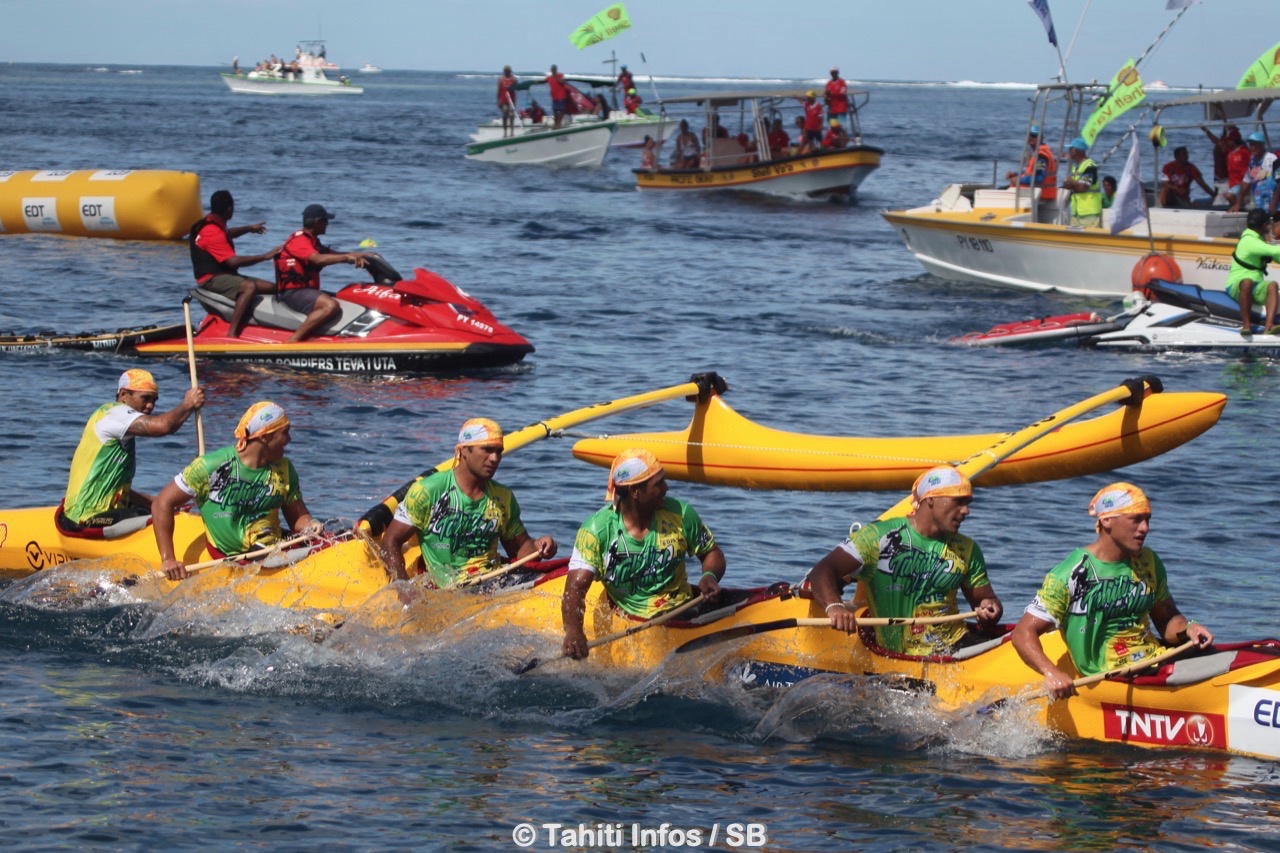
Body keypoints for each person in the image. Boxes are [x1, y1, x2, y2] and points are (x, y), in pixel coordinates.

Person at [1011, 483, 1214, 699]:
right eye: (1136, 519)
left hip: (1153, 660)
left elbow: (1167, 619)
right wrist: (1051, 673)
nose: (1145, 528)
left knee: (1222, 657)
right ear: (1107, 520)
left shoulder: (1148, 561)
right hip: (1107, 675)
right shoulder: (1071, 572)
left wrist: (1189, 628)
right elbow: (1022, 634)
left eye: (1147, 519)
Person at [808, 465, 1003, 655]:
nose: (966, 511)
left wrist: (990, 609)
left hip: (957, 645)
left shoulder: (968, 549)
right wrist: (835, 607)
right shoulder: (877, 537)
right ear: (932, 499)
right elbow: (822, 571)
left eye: (968, 503)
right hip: (899, 655)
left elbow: (985, 600)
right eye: (958, 501)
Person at [561, 449, 725, 661]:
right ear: (635, 491)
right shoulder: (596, 531)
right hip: (631, 619)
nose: (666, 488)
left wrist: (709, 575)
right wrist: (573, 631)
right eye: (658, 484)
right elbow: (575, 589)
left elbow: (712, 552)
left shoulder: (681, 515)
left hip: (683, 614)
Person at [152, 401, 324, 580]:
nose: (289, 439)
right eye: (285, 432)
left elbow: (298, 518)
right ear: (264, 436)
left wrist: (310, 525)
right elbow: (162, 503)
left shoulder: (285, 470)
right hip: (230, 557)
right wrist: (168, 559)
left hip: (273, 550)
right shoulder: (210, 466)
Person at [378, 418, 556, 586]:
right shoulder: (427, 491)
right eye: (487, 450)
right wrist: (402, 588)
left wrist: (539, 545)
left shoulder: (503, 497)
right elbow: (391, 541)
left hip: (493, 581)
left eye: (498, 451)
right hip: (452, 589)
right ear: (463, 450)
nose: (495, 459)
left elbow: (520, 550)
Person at [58, 369, 205, 532]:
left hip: (102, 512)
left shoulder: (122, 428)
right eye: (145, 398)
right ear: (123, 394)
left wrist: (155, 502)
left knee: (149, 509)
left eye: (154, 400)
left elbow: (116, 487)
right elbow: (163, 426)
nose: (150, 405)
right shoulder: (114, 414)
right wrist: (187, 405)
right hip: (85, 517)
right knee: (141, 513)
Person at [274, 204, 375, 344]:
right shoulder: (299, 241)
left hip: (306, 289)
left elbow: (332, 255)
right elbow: (317, 259)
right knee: (330, 306)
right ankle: (293, 340)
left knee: (349, 297)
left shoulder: (312, 240)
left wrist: (363, 255)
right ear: (317, 222)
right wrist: (347, 258)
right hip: (294, 292)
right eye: (326, 221)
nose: (327, 224)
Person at [189, 190, 280, 338]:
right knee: (249, 287)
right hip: (211, 279)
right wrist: (265, 256)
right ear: (230, 209)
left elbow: (228, 233)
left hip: (223, 276)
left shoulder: (212, 223)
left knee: (274, 288)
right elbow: (232, 262)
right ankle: (232, 333)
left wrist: (250, 228)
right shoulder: (211, 231)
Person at [1225, 208, 1280, 335]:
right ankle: (1246, 326)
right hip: (1235, 287)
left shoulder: (1258, 240)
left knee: (1272, 285)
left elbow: (1276, 256)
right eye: (1268, 223)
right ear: (1265, 225)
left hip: (1255, 287)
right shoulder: (1249, 240)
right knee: (1247, 282)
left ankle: (1269, 326)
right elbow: (1274, 251)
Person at [1006, 124, 1058, 202]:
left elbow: (1039, 178)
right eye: (1029, 135)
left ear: (1040, 137)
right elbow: (1031, 171)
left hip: (1041, 193)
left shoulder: (1041, 156)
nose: (1030, 137)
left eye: (1034, 135)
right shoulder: (1037, 152)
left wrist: (1019, 180)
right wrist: (1015, 174)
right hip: (1036, 192)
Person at [1061, 137, 1102, 228]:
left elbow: (1082, 188)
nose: (1069, 151)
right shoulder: (1075, 167)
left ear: (1077, 151)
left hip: (1090, 213)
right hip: (1077, 213)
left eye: (1071, 149)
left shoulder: (1090, 167)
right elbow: (1067, 185)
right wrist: (1070, 183)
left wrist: (1071, 183)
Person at [497, 65, 519, 138]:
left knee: (511, 116)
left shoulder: (513, 79)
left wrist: (516, 83)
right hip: (504, 101)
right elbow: (498, 91)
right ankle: (505, 132)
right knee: (504, 116)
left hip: (511, 101)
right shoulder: (501, 79)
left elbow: (517, 87)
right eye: (505, 71)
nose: (506, 72)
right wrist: (498, 101)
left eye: (508, 71)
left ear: (510, 71)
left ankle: (512, 132)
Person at [545, 64, 569, 128]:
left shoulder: (560, 75)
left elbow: (563, 81)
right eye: (552, 70)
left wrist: (558, 79)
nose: (553, 71)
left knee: (561, 110)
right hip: (554, 97)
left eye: (554, 69)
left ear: (556, 70)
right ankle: (556, 123)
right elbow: (544, 80)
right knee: (554, 110)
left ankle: (559, 123)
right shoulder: (549, 77)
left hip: (561, 96)